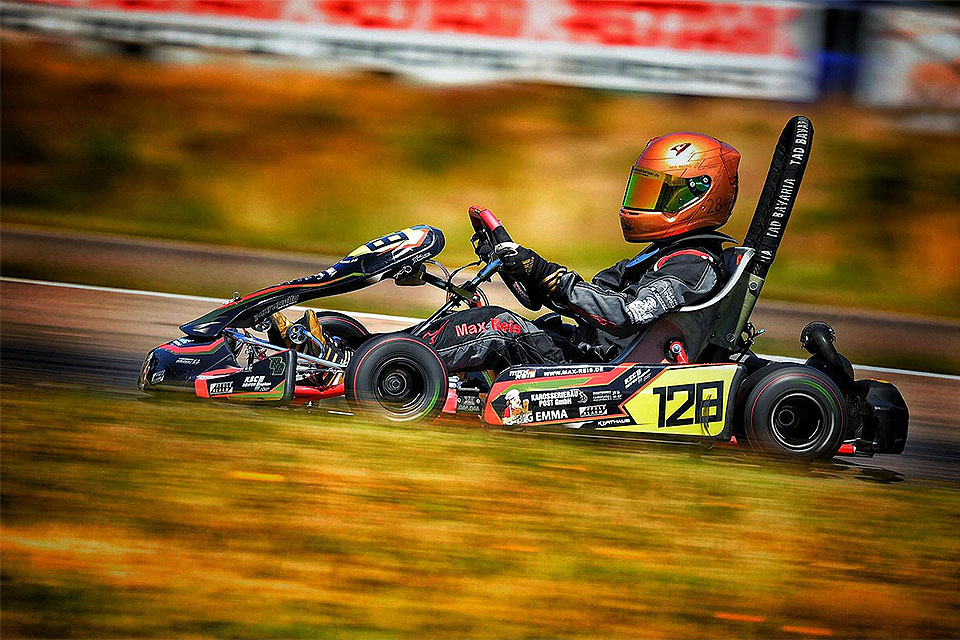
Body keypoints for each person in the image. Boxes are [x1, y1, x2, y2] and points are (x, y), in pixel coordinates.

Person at [415, 131, 741, 372]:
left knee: (500, 327)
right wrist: (523, 270)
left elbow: (626, 315)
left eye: (658, 191)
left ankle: (401, 362)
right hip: (588, 351)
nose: (644, 199)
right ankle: (388, 349)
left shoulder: (692, 265)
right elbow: (586, 299)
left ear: (698, 195)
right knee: (491, 320)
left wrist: (550, 277)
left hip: (606, 372)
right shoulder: (657, 254)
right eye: (644, 188)